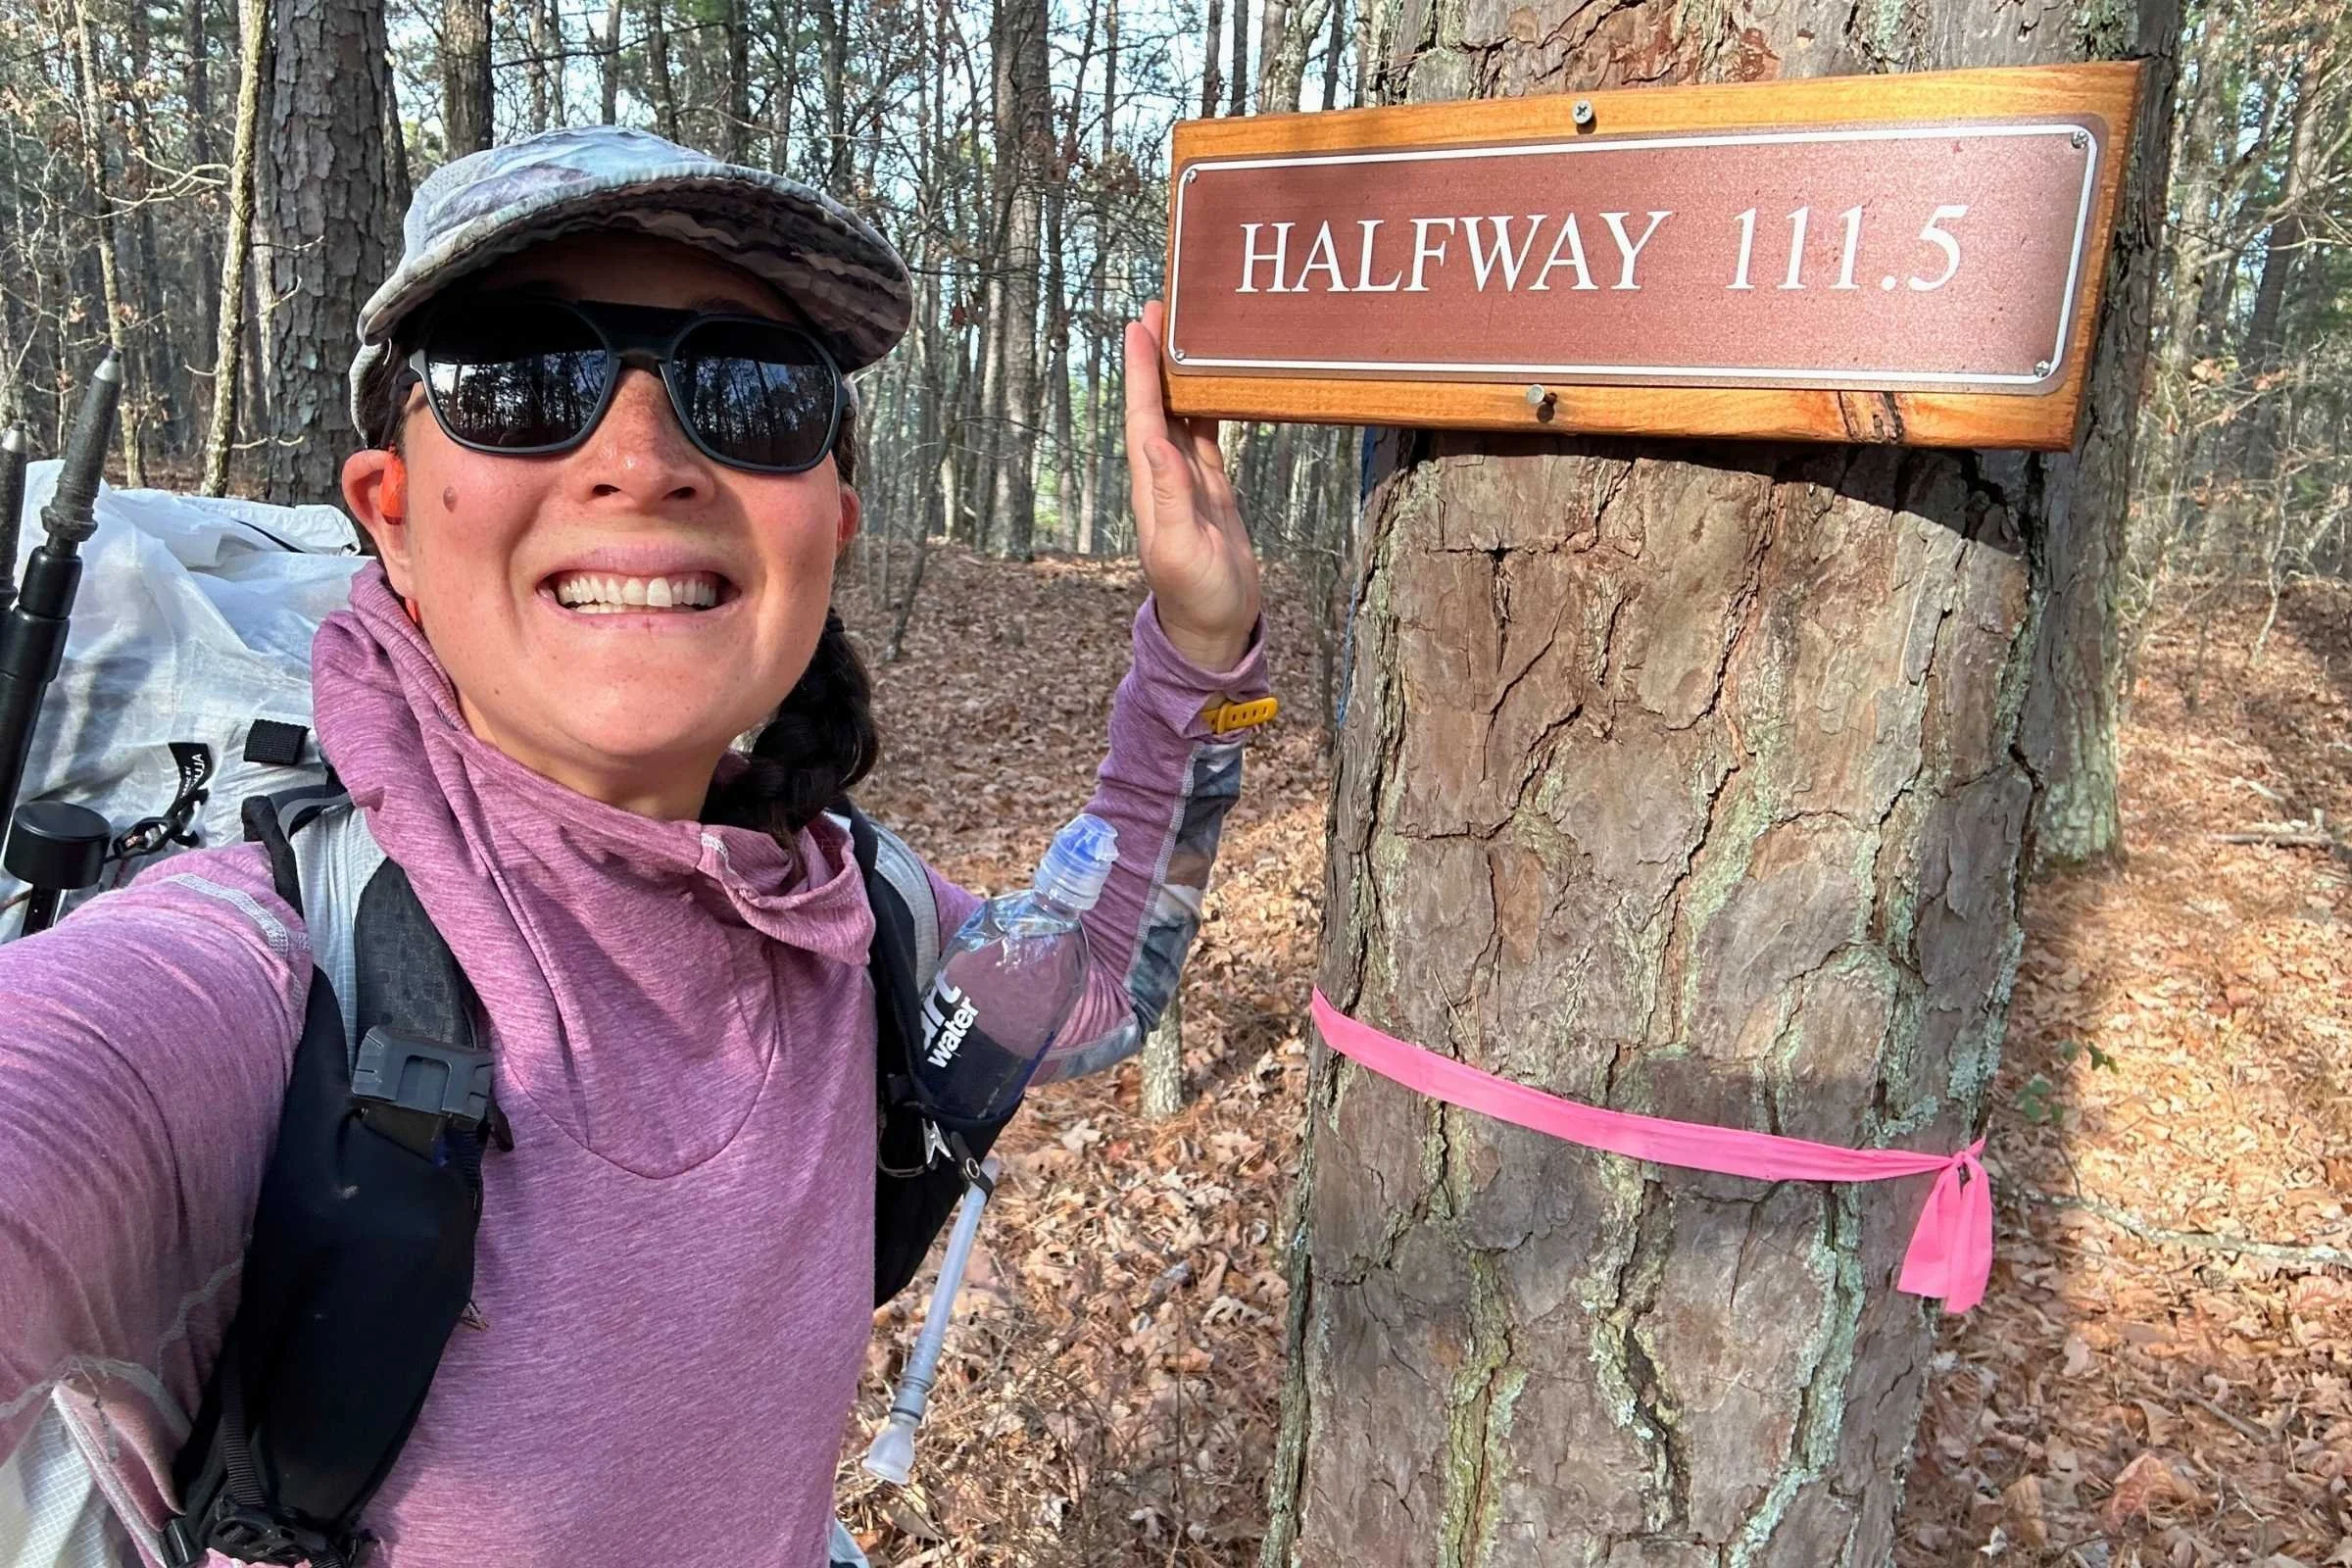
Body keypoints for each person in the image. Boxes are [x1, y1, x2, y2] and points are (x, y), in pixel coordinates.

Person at [0, 125, 1268, 1567]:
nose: (644, 457)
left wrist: (1200, 646)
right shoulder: (252, 990)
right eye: (519, 375)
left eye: (751, 389)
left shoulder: (857, 918)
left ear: (830, 526)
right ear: (391, 518)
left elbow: (1095, 985)